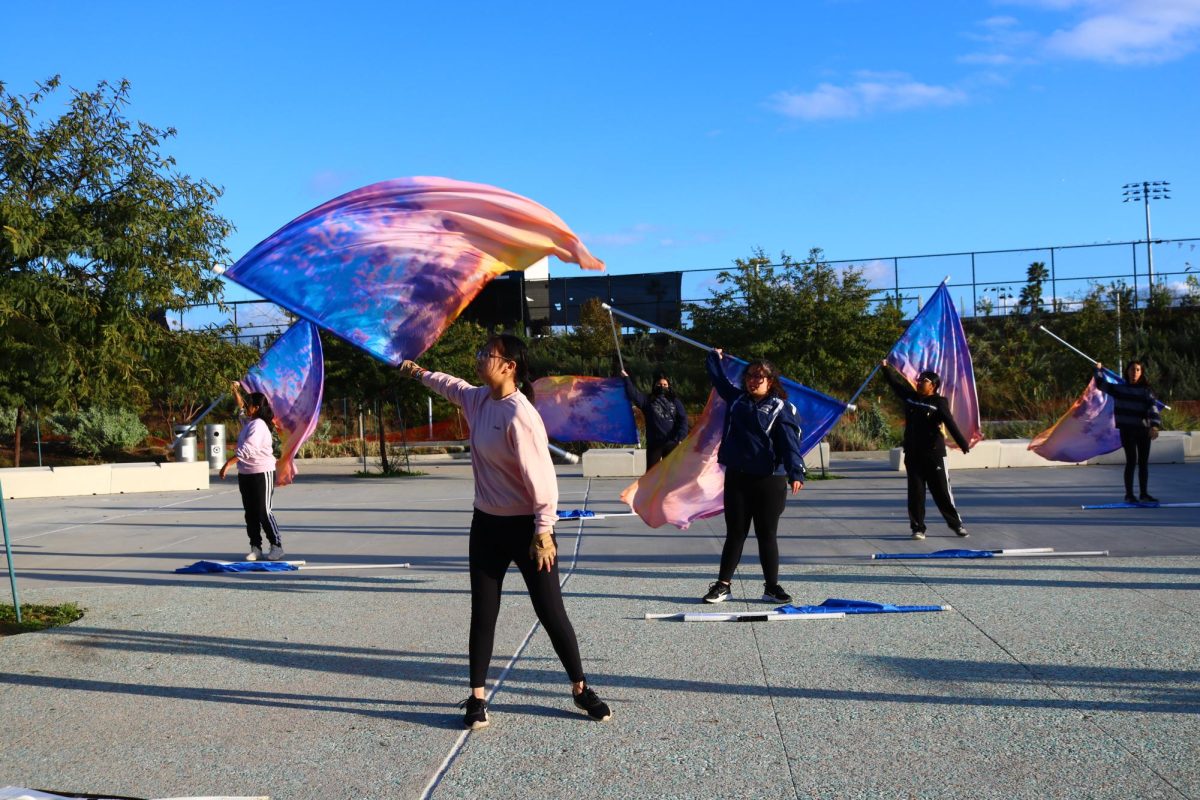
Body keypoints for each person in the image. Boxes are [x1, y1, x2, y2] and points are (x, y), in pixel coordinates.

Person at [398, 334, 612, 729]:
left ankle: (581, 688)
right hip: (486, 526)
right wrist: (418, 372)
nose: (479, 359)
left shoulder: (520, 415)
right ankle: (477, 698)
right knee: (484, 611)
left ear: (509, 365)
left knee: (550, 612)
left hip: (529, 530)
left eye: (487, 355)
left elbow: (543, 480)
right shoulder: (477, 399)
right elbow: (449, 385)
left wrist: (544, 531)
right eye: (479, 353)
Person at [702, 349, 806, 605]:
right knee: (735, 533)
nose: (753, 381)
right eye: (749, 376)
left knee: (766, 534)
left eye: (759, 377)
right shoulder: (738, 399)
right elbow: (719, 382)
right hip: (738, 477)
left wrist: (796, 471)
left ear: (770, 381)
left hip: (769, 480)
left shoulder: (782, 408)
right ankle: (723, 586)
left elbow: (789, 442)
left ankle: (772, 587)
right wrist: (714, 359)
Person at [880, 361, 971, 540]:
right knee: (916, 493)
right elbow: (895, 385)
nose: (920, 382)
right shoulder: (911, 398)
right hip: (913, 454)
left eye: (925, 380)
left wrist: (962, 443)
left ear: (934, 385)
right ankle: (918, 528)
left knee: (942, 492)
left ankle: (956, 524)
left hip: (934, 455)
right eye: (920, 379)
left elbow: (950, 423)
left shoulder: (938, 402)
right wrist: (885, 368)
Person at [218, 382, 284, 561]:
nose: (245, 407)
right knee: (250, 512)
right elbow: (240, 409)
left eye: (249, 405)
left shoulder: (259, 426)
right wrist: (235, 391)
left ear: (256, 408)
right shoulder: (250, 422)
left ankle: (276, 546)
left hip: (262, 473)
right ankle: (256, 547)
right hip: (246, 473)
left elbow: (248, 449)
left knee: (263, 510)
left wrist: (228, 464)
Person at [1094, 360, 1162, 503]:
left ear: (1141, 372)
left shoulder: (1146, 391)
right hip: (1127, 431)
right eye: (1132, 370)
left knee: (1143, 463)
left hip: (1143, 431)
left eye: (1137, 370)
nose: (1134, 373)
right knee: (1131, 461)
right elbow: (1100, 384)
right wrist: (1099, 370)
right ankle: (1129, 495)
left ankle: (1144, 494)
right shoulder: (1120, 389)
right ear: (1127, 372)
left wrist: (1154, 426)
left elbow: (1153, 408)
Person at [621, 368, 689, 469]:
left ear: (669, 387)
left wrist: (680, 437)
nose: (662, 386)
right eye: (659, 384)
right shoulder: (647, 400)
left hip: (672, 443)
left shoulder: (675, 401)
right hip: (655, 444)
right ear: (654, 385)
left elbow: (683, 420)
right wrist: (626, 378)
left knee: (671, 474)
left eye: (665, 385)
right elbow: (633, 394)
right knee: (651, 475)